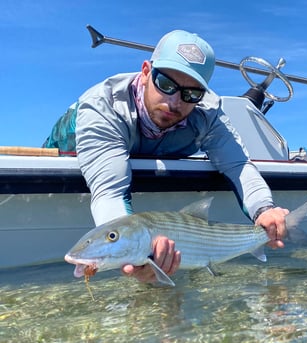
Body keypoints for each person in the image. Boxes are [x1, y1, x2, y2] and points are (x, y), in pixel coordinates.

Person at [43, 29, 289, 283]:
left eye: (191, 94)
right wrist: (129, 251)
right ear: (147, 72)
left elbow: (237, 165)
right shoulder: (103, 106)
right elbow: (109, 191)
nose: (174, 102)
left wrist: (264, 209)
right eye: (166, 84)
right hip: (79, 146)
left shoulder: (208, 115)